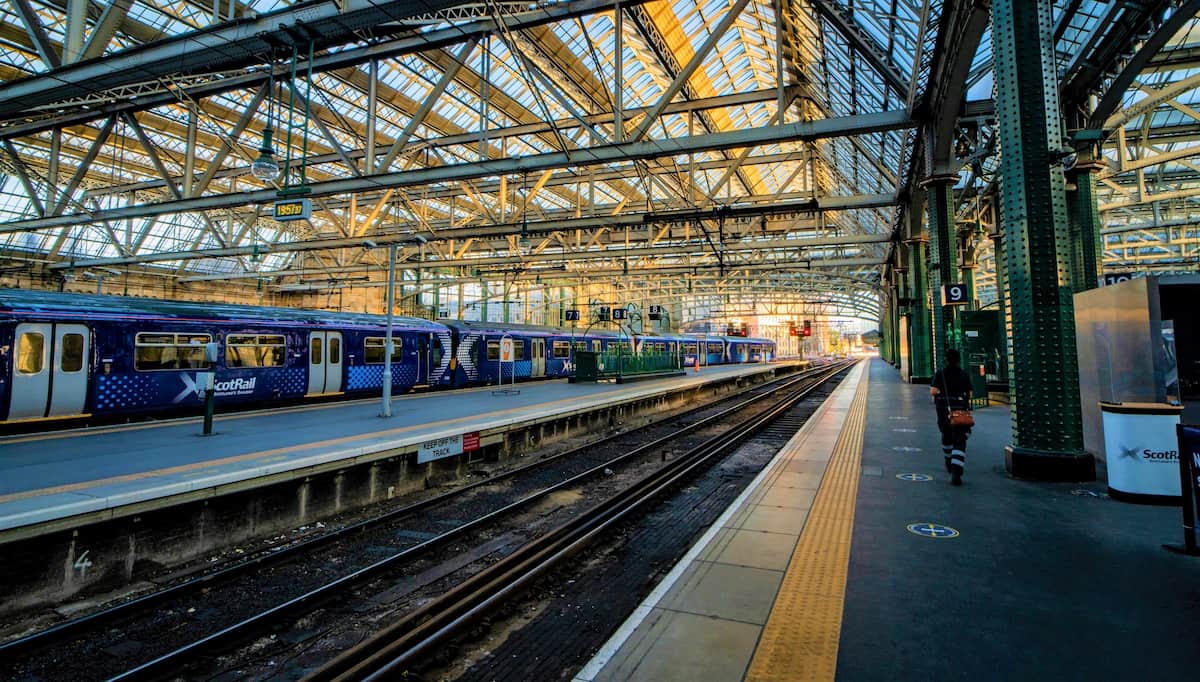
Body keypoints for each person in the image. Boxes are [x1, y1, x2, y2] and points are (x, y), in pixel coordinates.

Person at [930, 348, 973, 485]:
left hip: (944, 409)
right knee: (960, 440)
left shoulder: (941, 374)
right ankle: (957, 472)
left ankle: (948, 460)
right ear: (958, 359)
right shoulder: (964, 374)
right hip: (960, 409)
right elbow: (970, 393)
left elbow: (934, 391)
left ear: (946, 360)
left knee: (946, 434)